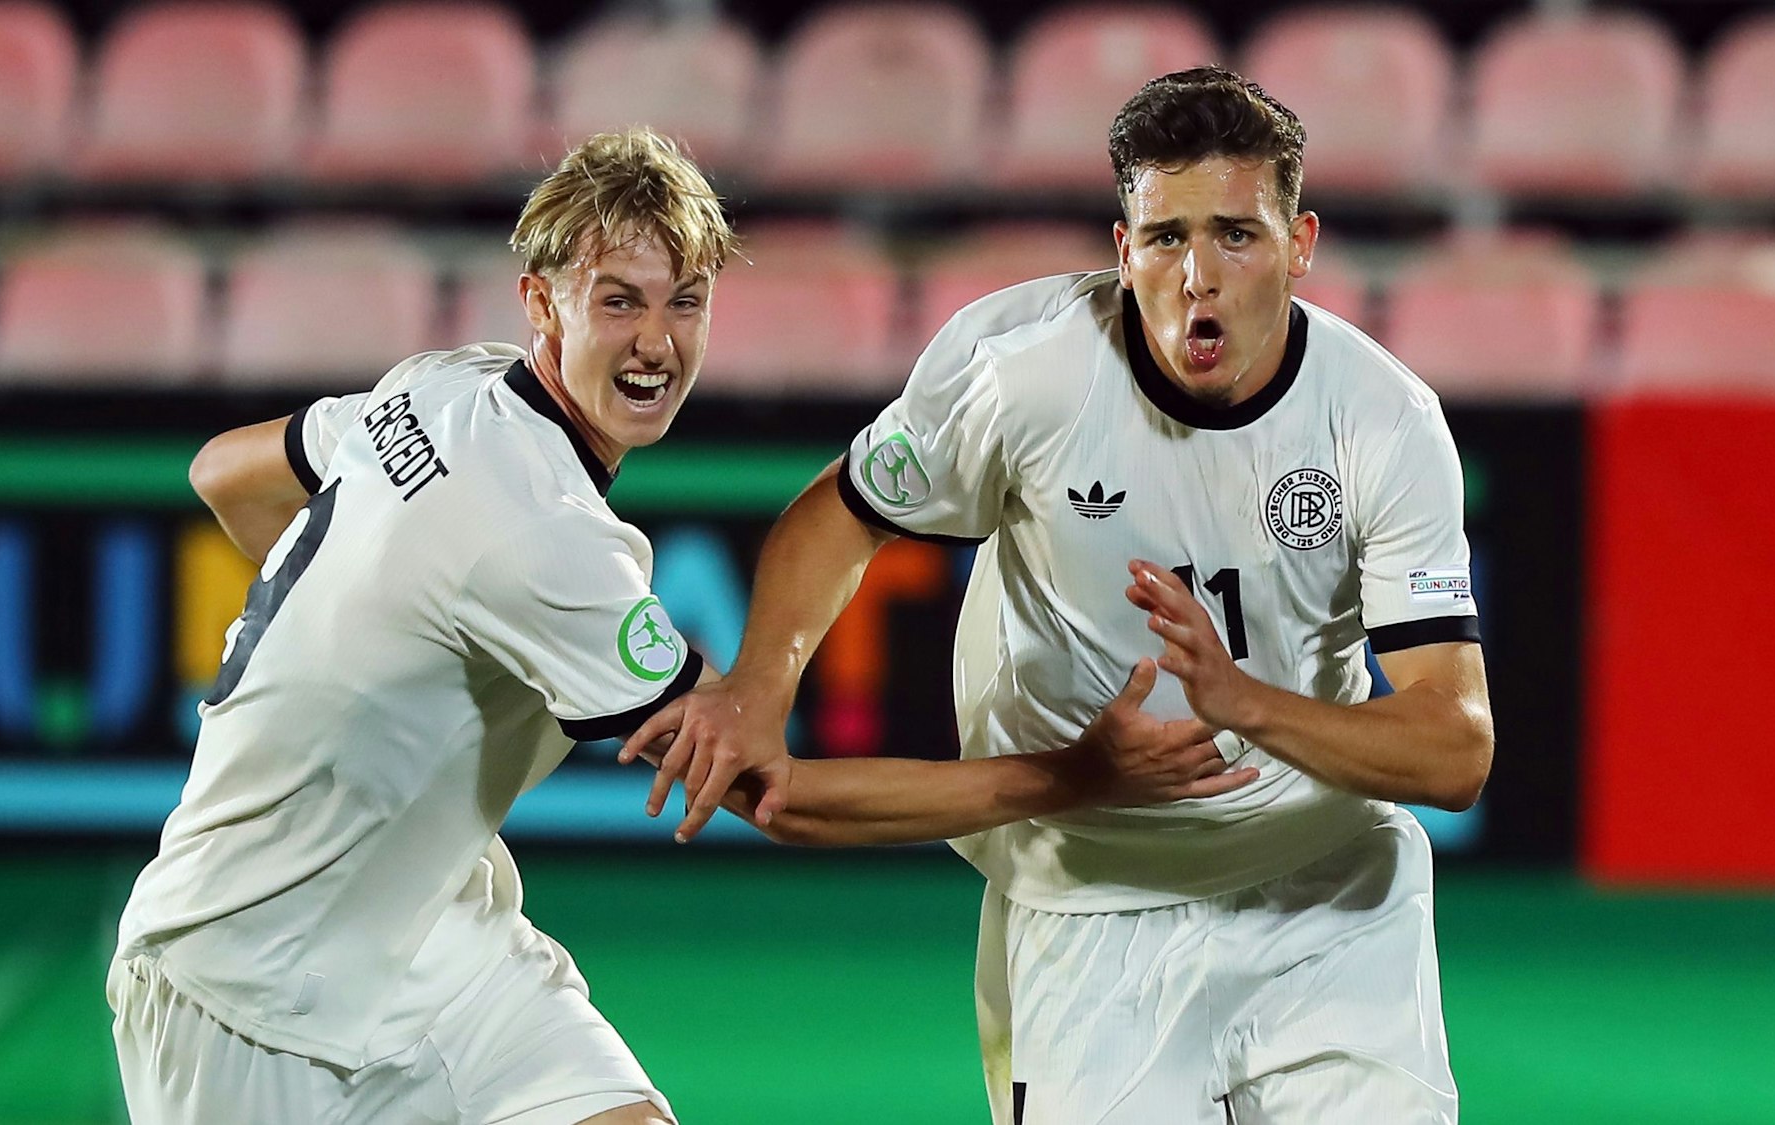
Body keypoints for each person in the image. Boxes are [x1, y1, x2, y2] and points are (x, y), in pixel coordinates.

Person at [107, 127, 1249, 1125]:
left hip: (436, 937)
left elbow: (227, 474)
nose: (655, 343)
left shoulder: (440, 384)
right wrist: (1079, 775)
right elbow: (775, 797)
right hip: (244, 987)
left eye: (682, 301)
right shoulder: (543, 541)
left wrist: (362, 631)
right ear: (540, 300)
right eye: (618, 301)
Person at [632, 68, 1495, 1124]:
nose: (1198, 276)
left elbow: (1453, 750)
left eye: (1236, 235)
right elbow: (844, 508)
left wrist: (1246, 707)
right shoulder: (1027, 373)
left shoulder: (1383, 421)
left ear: (1300, 244)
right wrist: (758, 687)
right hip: (1087, 899)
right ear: (1123, 249)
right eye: (1167, 237)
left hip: (1325, 892)